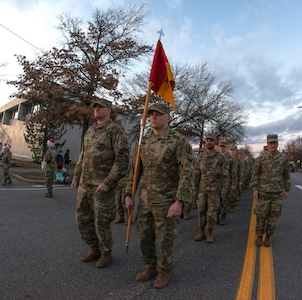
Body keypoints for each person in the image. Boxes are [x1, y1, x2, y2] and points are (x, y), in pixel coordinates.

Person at [125, 102, 194, 289]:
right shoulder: (143, 141)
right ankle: (150, 266)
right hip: (146, 201)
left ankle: (164, 271)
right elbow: (135, 171)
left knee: (164, 240)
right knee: (145, 237)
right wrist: (128, 195)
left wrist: (179, 201)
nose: (153, 117)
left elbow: (187, 173)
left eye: (158, 114)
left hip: (167, 201)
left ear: (168, 118)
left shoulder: (178, 141)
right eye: (151, 114)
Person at [71, 98, 129, 269]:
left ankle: (106, 252)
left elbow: (122, 159)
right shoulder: (90, 131)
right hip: (85, 184)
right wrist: (76, 177)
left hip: (102, 186)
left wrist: (108, 182)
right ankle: (94, 248)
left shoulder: (115, 131)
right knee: (82, 220)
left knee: (101, 222)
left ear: (109, 110)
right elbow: (82, 155)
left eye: (100, 106)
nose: (96, 109)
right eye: (94, 107)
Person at [250, 134, 291, 247]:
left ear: (277, 144)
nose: (273, 145)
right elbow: (255, 174)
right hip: (263, 193)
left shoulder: (283, 158)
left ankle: (268, 237)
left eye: (275, 143)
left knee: (273, 218)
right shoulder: (261, 159)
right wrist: (255, 188)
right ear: (267, 145)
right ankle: (259, 236)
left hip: (277, 193)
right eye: (271, 143)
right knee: (261, 217)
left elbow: (287, 175)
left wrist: (287, 189)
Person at [193, 133, 228, 242]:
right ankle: (201, 231)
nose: (209, 142)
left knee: (212, 213)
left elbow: (225, 174)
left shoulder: (220, 157)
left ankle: (210, 233)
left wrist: (224, 188)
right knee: (201, 211)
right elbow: (196, 173)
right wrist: (194, 188)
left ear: (215, 142)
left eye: (211, 140)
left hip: (214, 190)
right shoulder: (200, 157)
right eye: (207, 140)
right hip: (202, 190)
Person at [215, 140, 236, 225]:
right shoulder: (215, 156)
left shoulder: (230, 158)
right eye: (221, 146)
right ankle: (216, 216)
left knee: (224, 200)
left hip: (226, 182)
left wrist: (233, 183)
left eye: (223, 146)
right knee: (216, 201)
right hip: (216, 182)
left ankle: (223, 217)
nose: (222, 148)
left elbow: (233, 171)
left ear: (226, 148)